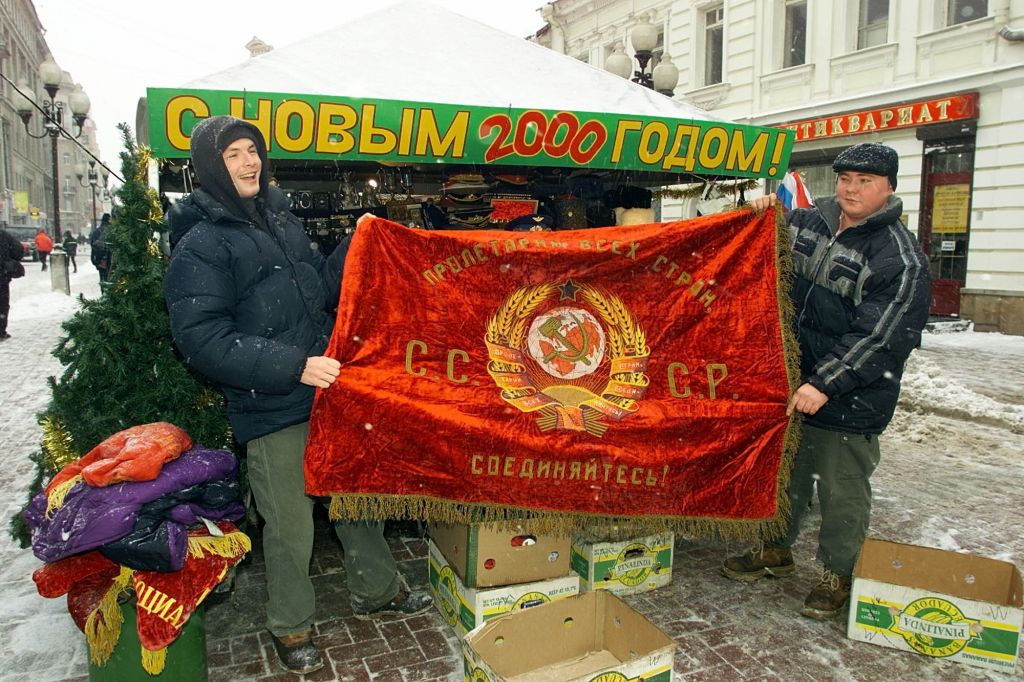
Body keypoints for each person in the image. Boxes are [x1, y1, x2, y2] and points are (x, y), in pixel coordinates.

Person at [163, 116, 430, 675]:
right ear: (213, 167)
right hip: (272, 402)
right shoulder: (201, 243)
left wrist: (355, 246)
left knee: (358, 497)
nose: (248, 162)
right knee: (290, 524)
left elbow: (320, 294)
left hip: (327, 392)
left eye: (252, 151)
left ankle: (377, 590)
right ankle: (290, 623)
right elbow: (202, 338)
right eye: (233, 154)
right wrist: (293, 366)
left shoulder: (281, 221)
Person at [722, 142, 931, 620]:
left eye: (866, 182)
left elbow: (882, 336)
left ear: (889, 188)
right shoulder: (808, 220)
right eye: (846, 179)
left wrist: (826, 383)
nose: (852, 189)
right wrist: (756, 213)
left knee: (841, 488)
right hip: (791, 383)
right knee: (786, 475)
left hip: (852, 395)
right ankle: (774, 548)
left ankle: (839, 573)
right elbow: (756, 249)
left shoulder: (899, 259)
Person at [0, 225, 25, 340]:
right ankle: (1, 330)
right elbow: (18, 250)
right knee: (2, 303)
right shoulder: (4, 235)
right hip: (2, 275)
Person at [90, 213, 113, 282]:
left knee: (103, 278)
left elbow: (93, 245)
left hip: (100, 260)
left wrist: (95, 261)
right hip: (111, 258)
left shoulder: (97, 231)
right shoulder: (112, 230)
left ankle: (104, 291)